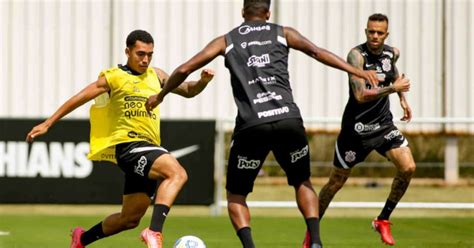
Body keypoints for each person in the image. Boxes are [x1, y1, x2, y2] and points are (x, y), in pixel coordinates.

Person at [145, 1, 379, 247]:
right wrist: (358, 72)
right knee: (302, 182)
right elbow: (317, 52)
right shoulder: (282, 33)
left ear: (243, 13)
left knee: (236, 194)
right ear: (268, 13)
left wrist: (161, 95)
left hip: (252, 125)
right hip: (288, 119)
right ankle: (316, 241)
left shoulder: (227, 40)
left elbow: (184, 69)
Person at [25, 30, 214, 248]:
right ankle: (154, 232)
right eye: (140, 53)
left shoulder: (157, 75)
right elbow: (79, 97)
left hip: (148, 148)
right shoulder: (114, 77)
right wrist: (48, 123)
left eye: (150, 55)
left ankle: (81, 239)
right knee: (177, 173)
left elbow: (188, 90)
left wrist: (202, 82)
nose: (145, 59)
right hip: (129, 146)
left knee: (129, 219)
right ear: (127, 51)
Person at [317, 13, 415, 246]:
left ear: (386, 34)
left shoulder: (393, 52)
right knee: (336, 183)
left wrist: (402, 99)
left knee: (408, 167)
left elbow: (393, 74)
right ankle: (312, 230)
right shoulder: (356, 56)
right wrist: (394, 89)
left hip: (383, 126)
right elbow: (361, 95)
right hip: (356, 131)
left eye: (380, 33)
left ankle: (382, 219)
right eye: (371, 31)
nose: (375, 36)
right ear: (366, 31)